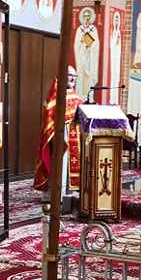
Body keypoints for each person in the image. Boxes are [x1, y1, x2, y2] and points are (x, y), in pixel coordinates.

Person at [32, 65, 83, 194]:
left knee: (71, 163)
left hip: (74, 138)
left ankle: (70, 191)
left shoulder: (76, 98)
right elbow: (49, 120)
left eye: (74, 76)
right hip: (60, 138)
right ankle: (54, 193)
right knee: (59, 163)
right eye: (69, 75)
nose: (72, 78)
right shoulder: (55, 97)